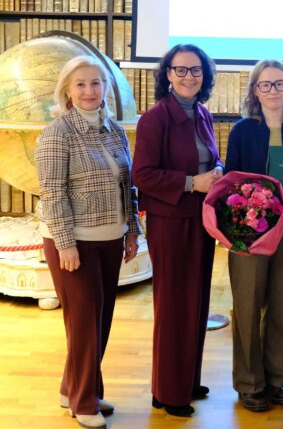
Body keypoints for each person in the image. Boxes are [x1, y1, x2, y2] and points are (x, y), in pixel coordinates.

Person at [35, 55, 141, 429]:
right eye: (80, 84)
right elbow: (52, 192)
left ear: (106, 88)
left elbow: (128, 185)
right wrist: (65, 244)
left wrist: (132, 230)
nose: (89, 91)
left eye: (96, 83)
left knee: (100, 320)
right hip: (73, 241)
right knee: (83, 324)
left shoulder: (114, 130)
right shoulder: (58, 132)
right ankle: (83, 403)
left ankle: (75, 389)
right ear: (67, 90)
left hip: (110, 237)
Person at [132, 44, 223, 417]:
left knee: (196, 302)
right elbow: (142, 175)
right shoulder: (155, 119)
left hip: (201, 220)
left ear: (205, 75)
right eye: (181, 69)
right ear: (167, 74)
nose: (189, 76)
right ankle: (168, 391)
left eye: (196, 70)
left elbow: (210, 158)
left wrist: (218, 170)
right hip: (170, 222)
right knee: (174, 305)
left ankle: (186, 380)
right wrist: (191, 183)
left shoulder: (203, 113)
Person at [225, 59, 283, 412]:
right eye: (265, 84)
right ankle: (250, 383)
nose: (273, 90)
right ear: (255, 90)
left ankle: (275, 377)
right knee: (248, 303)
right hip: (249, 232)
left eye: (280, 83)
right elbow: (230, 182)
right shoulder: (241, 131)